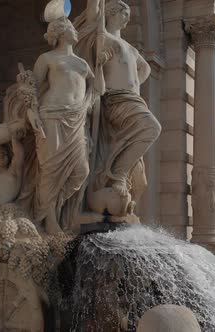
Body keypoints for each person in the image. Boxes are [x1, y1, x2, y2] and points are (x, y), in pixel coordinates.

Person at [73, 0, 161, 213]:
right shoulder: (104, 36)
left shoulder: (130, 47)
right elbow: (93, 14)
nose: (127, 17)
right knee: (151, 127)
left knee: (148, 130)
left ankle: (116, 174)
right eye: (123, 13)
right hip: (115, 99)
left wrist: (135, 82)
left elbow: (146, 68)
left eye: (129, 14)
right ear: (111, 13)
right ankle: (117, 174)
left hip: (131, 99)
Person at [27, 11, 95, 233]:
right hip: (52, 114)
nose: (76, 31)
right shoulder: (47, 58)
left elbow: (95, 89)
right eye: (72, 28)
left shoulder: (83, 63)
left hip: (76, 118)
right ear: (60, 31)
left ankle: (55, 207)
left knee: (81, 170)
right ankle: (49, 219)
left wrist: (101, 66)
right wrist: (32, 113)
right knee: (50, 170)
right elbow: (32, 88)